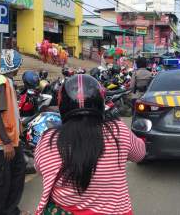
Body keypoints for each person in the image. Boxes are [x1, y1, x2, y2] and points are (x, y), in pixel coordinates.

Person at [34, 74, 146, 214]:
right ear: (100, 101)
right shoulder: (118, 130)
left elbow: (40, 170)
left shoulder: (47, 139)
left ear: (62, 104)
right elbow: (140, 154)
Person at [0, 49, 28, 215]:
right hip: (2, 144)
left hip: (11, 141)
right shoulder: (2, 82)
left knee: (17, 173)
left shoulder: (7, 81)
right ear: (14, 65)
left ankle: (10, 210)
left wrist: (18, 127)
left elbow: (8, 112)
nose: (19, 68)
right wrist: (6, 142)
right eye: (19, 65)